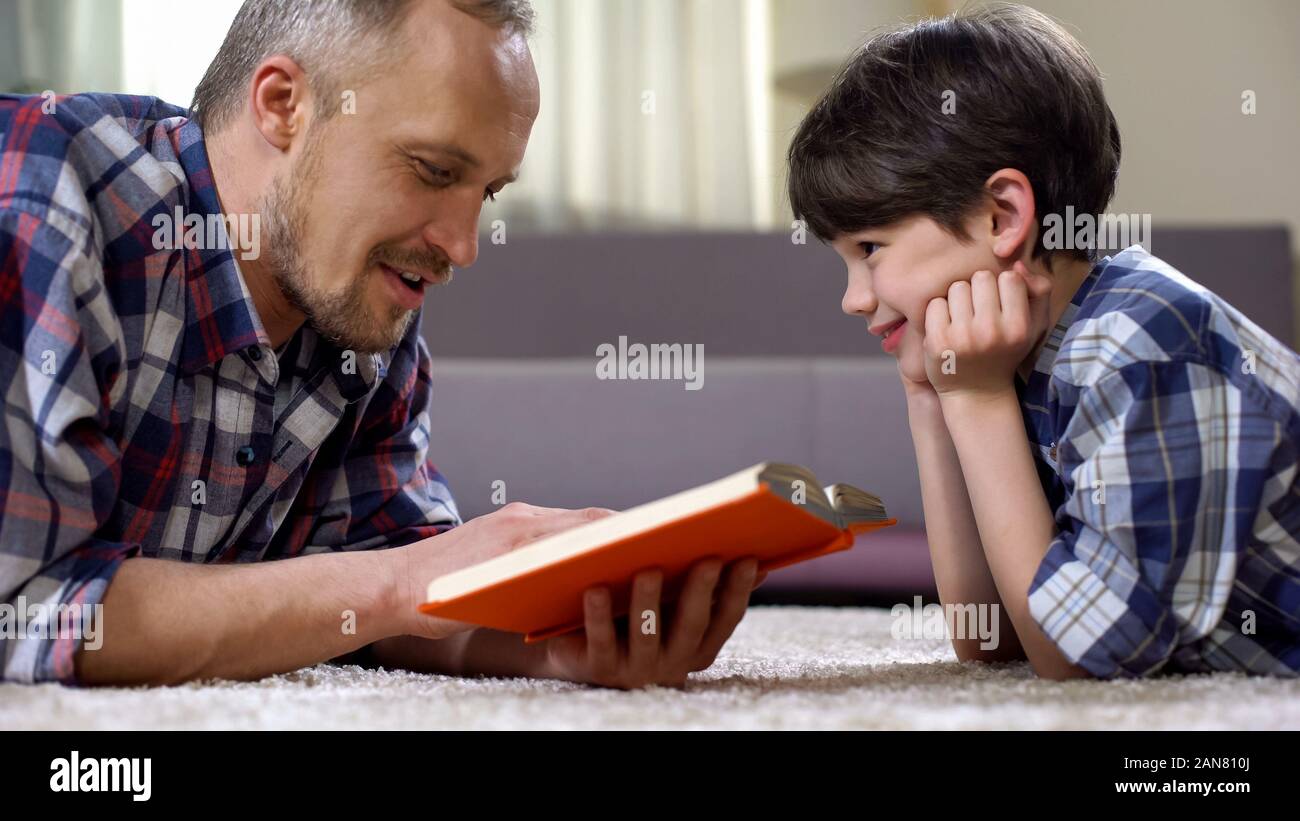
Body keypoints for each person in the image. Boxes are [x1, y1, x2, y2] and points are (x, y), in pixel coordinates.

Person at [0, 0, 763, 688]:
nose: (463, 246)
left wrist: (551, 646)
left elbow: (395, 588)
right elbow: (30, 605)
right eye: (434, 170)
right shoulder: (46, 195)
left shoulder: (355, 293)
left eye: (487, 193)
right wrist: (400, 581)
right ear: (282, 105)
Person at [787, 3, 1300, 678]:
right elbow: (988, 638)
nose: (853, 298)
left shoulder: (1141, 347)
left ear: (1003, 215)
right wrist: (932, 397)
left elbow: (1080, 657)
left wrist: (973, 396)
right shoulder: (1023, 357)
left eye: (871, 248)